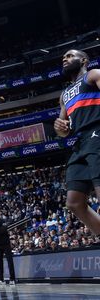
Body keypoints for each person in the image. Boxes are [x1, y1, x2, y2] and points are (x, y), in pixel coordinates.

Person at [55, 49, 100, 236]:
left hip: (97, 131)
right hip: (80, 141)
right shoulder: (64, 94)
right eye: (63, 57)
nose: (65, 59)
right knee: (73, 202)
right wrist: (60, 127)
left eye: (69, 56)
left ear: (84, 60)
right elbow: (62, 131)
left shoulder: (93, 74)